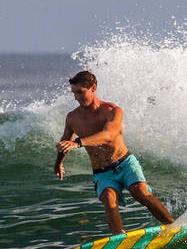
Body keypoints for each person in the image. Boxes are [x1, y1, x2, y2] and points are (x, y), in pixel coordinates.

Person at [54, 70, 174, 234]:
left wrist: (78, 143)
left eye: (80, 92)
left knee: (140, 192)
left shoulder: (112, 110)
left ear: (93, 88)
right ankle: (119, 240)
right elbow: (65, 143)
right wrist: (58, 163)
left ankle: (173, 225)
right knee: (109, 200)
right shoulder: (72, 118)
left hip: (125, 163)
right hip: (102, 172)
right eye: (74, 93)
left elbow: (109, 135)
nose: (76, 97)